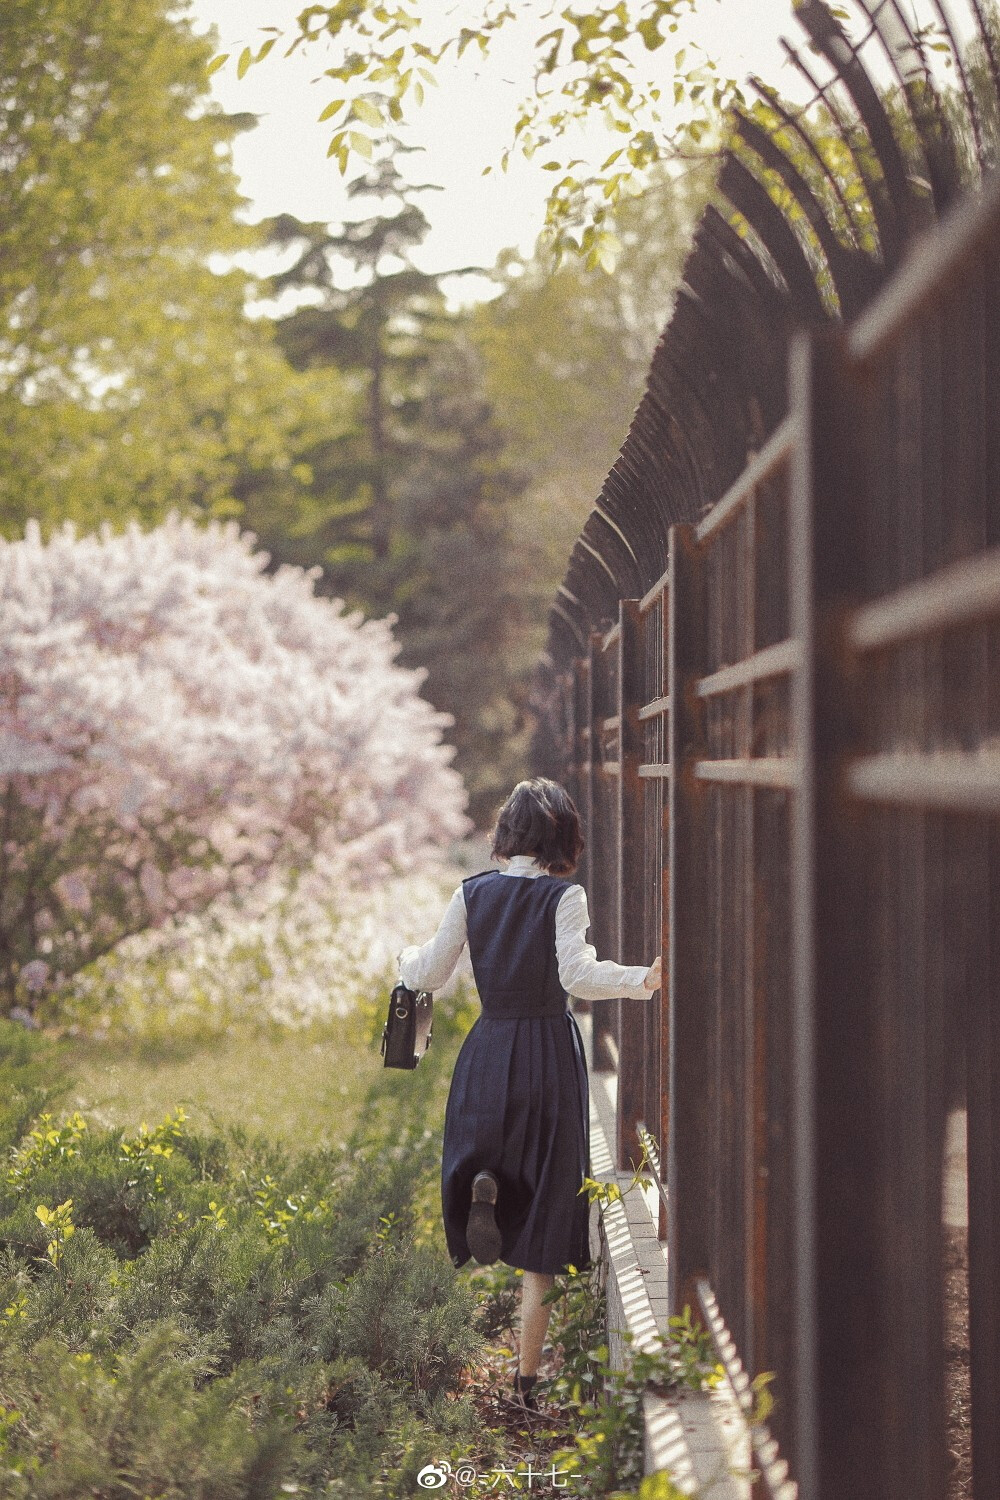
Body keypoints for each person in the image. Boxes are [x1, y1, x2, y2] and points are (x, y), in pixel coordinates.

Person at [396, 776, 661, 1410]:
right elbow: (578, 975)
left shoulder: (471, 894)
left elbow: (431, 971)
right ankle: (527, 1378)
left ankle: (485, 1182)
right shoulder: (564, 897)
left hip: (489, 1051)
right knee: (545, 1216)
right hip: (547, 1054)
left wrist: (405, 960)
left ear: (506, 835)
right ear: (563, 838)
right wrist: (643, 980)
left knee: (491, 1148)